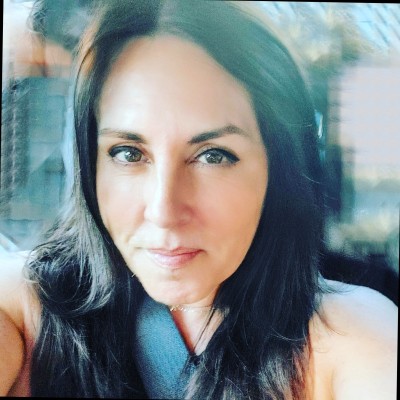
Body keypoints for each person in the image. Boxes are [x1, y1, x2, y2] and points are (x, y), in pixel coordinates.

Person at [0, 1, 397, 398]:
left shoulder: (351, 339)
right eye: (128, 153)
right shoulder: (23, 312)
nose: (163, 211)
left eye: (213, 156)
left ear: (279, 169)